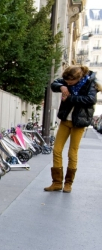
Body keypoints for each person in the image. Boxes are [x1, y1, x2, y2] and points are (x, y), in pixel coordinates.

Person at [44, 65, 100, 193]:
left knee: (72, 152)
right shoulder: (67, 81)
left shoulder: (90, 84)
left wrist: (70, 98)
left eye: (70, 82)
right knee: (57, 150)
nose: (68, 83)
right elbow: (55, 84)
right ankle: (57, 182)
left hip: (79, 122)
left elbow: (91, 100)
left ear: (78, 78)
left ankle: (68, 183)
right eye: (67, 82)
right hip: (65, 120)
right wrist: (62, 86)